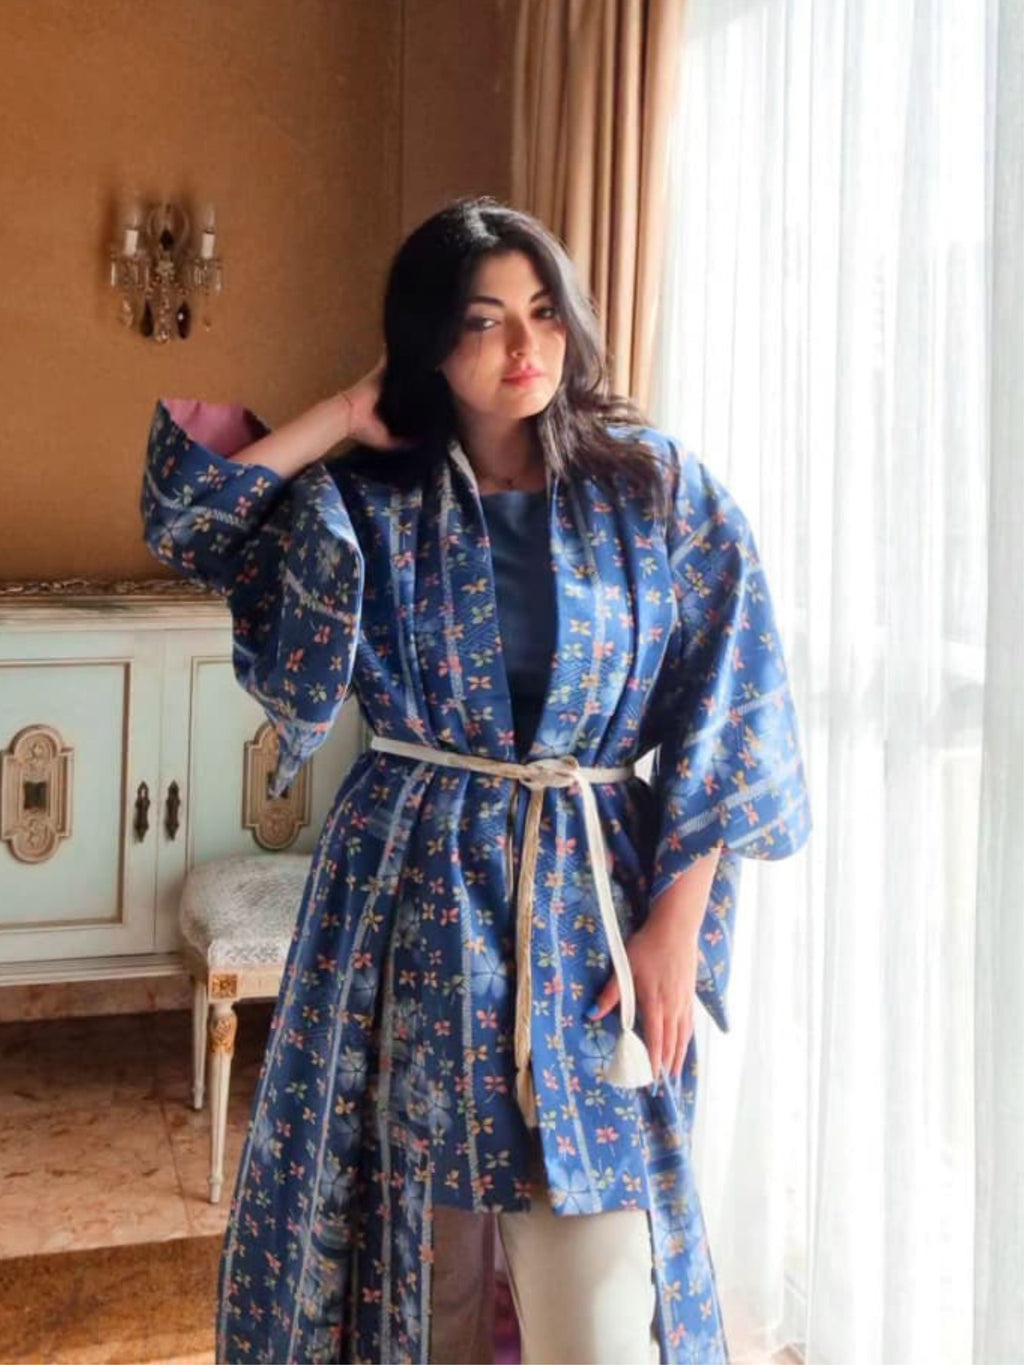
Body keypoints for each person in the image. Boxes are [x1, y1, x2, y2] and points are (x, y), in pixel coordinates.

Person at [141, 196, 810, 1365]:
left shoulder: (653, 491)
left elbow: (732, 699)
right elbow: (193, 522)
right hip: (411, 887)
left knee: (599, 1272)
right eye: (484, 322)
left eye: (544, 315)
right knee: (420, 1244)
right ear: (428, 343)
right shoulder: (367, 509)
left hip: (594, 897)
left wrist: (674, 922)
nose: (525, 351)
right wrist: (350, 411)